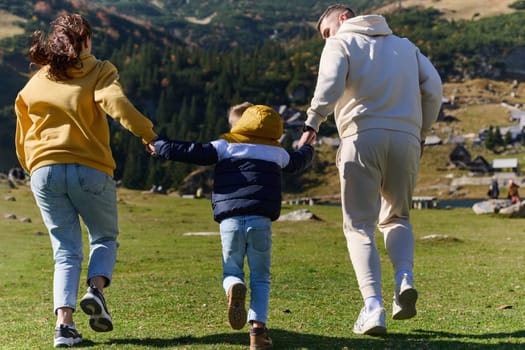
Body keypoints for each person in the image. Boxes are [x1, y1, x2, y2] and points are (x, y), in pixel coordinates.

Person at [297, 4, 442, 335]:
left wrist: (312, 122)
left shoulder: (341, 42)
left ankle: (373, 306)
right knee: (397, 217)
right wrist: (420, 132)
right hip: (406, 139)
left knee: (359, 225)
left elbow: (331, 83)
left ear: (343, 19)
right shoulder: (407, 47)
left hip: (361, 136)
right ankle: (404, 278)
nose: (326, 39)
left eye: (326, 31)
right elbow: (434, 89)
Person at [14, 13, 157, 348]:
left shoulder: (35, 81)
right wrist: (147, 134)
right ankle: (95, 290)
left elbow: (22, 130)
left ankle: (64, 328)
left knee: (65, 250)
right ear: (86, 41)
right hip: (89, 167)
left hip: (43, 171)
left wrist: (32, 167)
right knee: (104, 237)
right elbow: (117, 103)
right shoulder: (98, 70)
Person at [153, 104, 314, 349]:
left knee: (232, 270)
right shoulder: (277, 152)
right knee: (261, 277)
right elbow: (298, 161)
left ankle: (233, 286)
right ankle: (258, 333)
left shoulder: (225, 145)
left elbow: (190, 150)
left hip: (230, 221)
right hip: (261, 220)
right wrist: (308, 144)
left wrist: (160, 146)